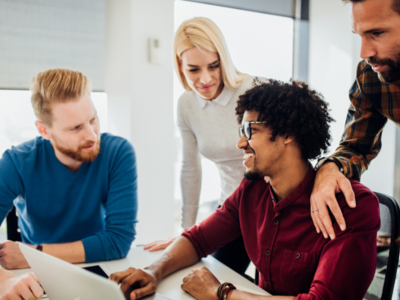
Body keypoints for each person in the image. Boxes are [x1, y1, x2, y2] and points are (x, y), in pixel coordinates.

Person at [111, 80, 379, 300]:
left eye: (250, 130)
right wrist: (152, 272)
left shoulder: (351, 207)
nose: (240, 143)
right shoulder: (253, 189)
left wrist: (222, 293)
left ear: (287, 134)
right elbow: (198, 239)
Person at [0, 69, 138, 299]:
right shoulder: (16, 162)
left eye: (93, 119)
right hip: (36, 276)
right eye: (75, 128)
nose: (92, 136)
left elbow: (119, 241)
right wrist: (4, 281)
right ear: (44, 130)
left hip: (99, 270)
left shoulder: (117, 152)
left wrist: (35, 253)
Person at [144, 17, 264, 276]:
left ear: (223, 59)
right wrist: (187, 234)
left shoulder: (255, 89)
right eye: (194, 69)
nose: (206, 79)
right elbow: (190, 169)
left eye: (213, 66)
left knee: (267, 287)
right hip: (232, 211)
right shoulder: (186, 105)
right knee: (210, 278)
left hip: (271, 209)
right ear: (180, 66)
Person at [310, 0, 400, 241]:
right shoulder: (370, 76)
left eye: (377, 33)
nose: (364, 53)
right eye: (360, 35)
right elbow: (355, 147)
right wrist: (329, 169)